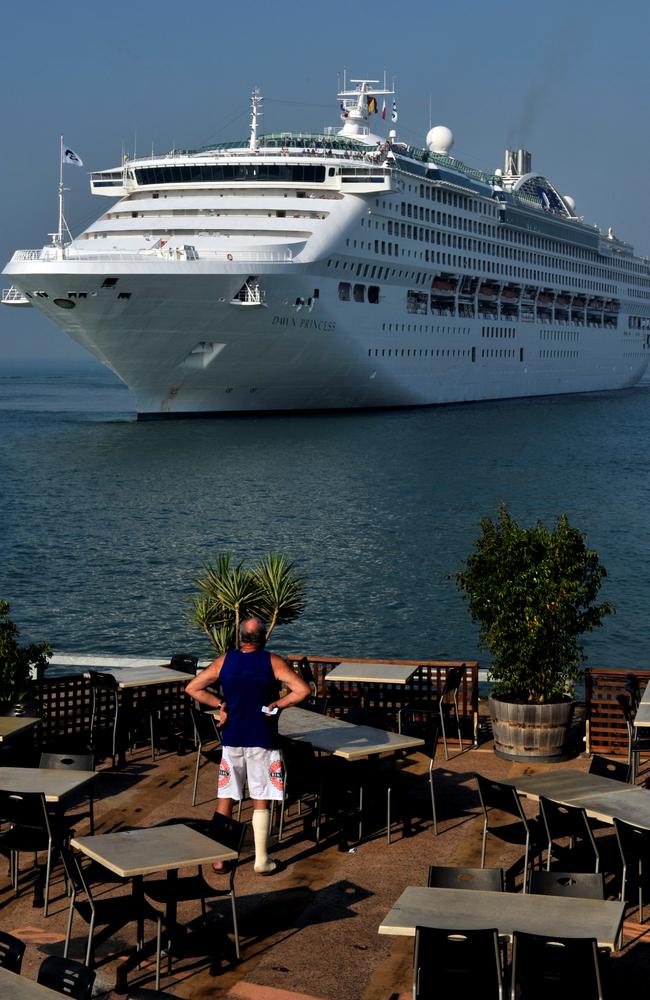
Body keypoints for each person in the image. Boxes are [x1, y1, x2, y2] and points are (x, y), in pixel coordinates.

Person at [185, 616, 310, 874]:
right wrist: (277, 705)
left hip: (232, 739)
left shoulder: (225, 661)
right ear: (263, 638)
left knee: (226, 797)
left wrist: (220, 705)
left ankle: (219, 860)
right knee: (261, 797)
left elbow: (193, 687)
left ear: (240, 637)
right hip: (262, 738)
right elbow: (302, 690)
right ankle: (261, 860)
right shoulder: (272, 661)